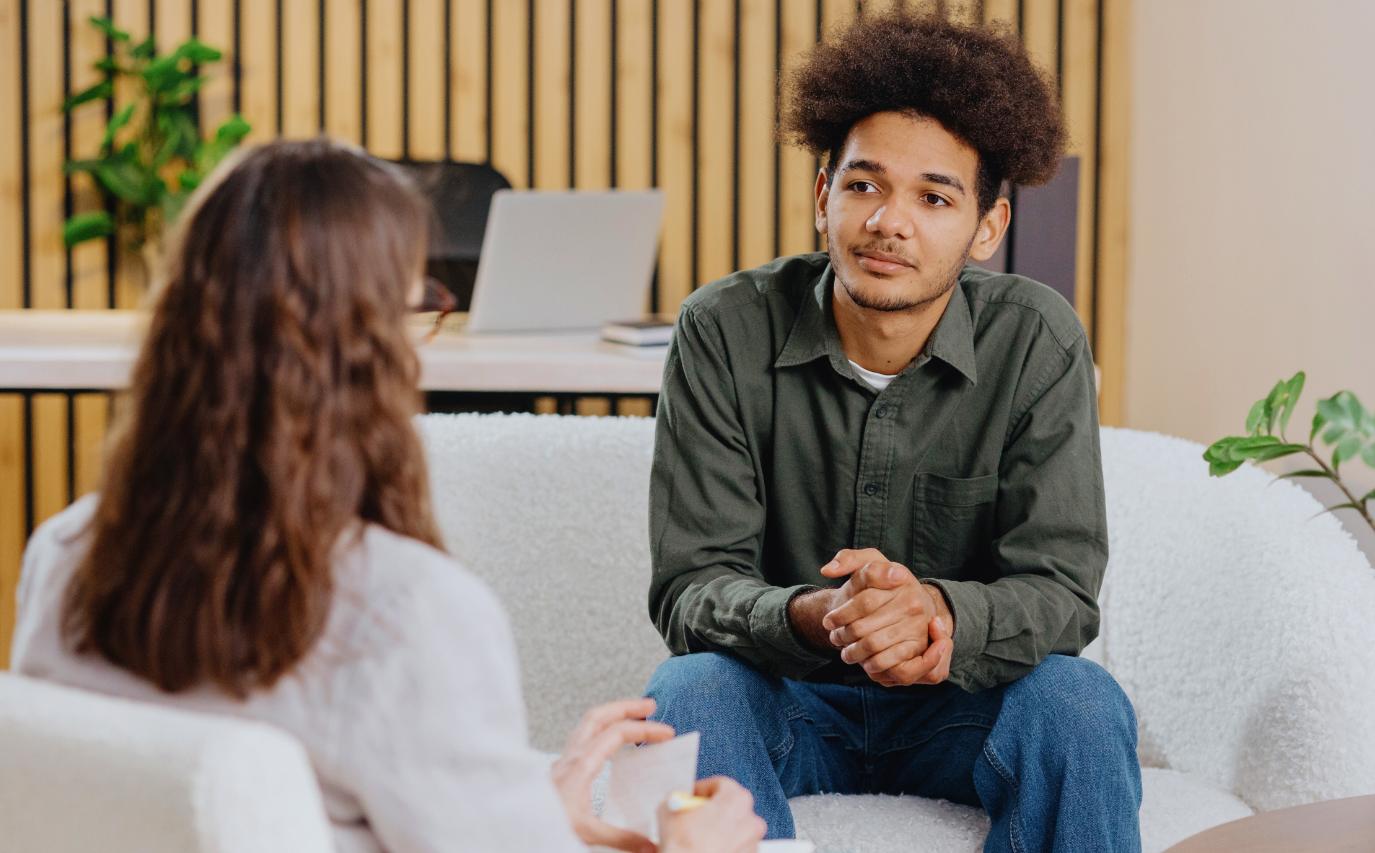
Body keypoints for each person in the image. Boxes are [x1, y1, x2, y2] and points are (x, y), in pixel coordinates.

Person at [11, 139, 765, 853]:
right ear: (372, 351)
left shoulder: (67, 555)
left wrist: (535, 806)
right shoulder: (404, 608)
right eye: (419, 309)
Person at [644, 11, 1141, 852]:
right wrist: (818, 613)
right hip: (788, 698)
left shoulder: (1036, 339)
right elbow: (691, 589)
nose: (887, 221)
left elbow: (1060, 591)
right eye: (864, 185)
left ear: (986, 228)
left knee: (1080, 703)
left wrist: (935, 617)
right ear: (821, 196)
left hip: (965, 705)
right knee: (688, 690)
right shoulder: (722, 329)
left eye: (933, 196)